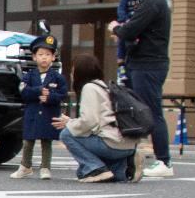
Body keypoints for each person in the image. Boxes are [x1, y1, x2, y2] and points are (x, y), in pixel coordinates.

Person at [111, 0, 172, 175]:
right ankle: (132, 156)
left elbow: (130, 30)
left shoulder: (153, 2)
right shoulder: (147, 1)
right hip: (141, 63)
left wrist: (115, 28)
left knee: (152, 112)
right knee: (136, 111)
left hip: (149, 64)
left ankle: (164, 161)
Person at [55, 52, 149, 183]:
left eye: (73, 70)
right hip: (127, 143)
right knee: (103, 176)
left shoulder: (89, 88)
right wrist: (71, 121)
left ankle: (96, 168)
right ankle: (128, 163)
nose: (71, 74)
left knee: (66, 134)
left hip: (111, 144)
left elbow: (89, 121)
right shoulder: (103, 86)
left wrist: (69, 124)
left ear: (80, 71)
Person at [15, 37, 64, 179]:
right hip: (33, 113)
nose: (44, 58)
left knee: (46, 141)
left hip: (49, 113)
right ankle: (25, 166)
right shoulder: (29, 76)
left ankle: (45, 167)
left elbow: (62, 94)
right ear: (34, 57)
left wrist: (50, 97)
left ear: (53, 57)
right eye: (41, 54)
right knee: (28, 141)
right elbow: (23, 91)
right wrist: (38, 91)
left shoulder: (58, 77)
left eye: (48, 54)